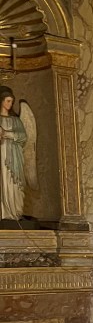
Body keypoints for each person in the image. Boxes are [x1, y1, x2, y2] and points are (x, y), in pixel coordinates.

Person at [0, 86, 27, 222]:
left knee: (13, 182)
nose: (10, 104)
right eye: (8, 101)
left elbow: (23, 137)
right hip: (1, 155)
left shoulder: (16, 120)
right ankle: (3, 212)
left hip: (13, 157)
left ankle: (14, 212)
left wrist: (7, 134)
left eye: (11, 101)